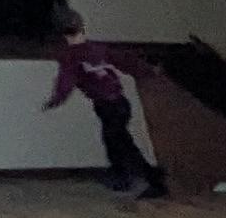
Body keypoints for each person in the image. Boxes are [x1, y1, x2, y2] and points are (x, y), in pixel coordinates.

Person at [43, 23, 166, 198]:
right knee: (115, 141)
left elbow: (66, 80)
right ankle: (124, 177)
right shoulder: (99, 49)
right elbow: (128, 62)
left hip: (107, 106)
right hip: (120, 102)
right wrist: (150, 71)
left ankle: (152, 179)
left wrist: (55, 100)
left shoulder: (71, 56)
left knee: (120, 143)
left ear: (64, 37)